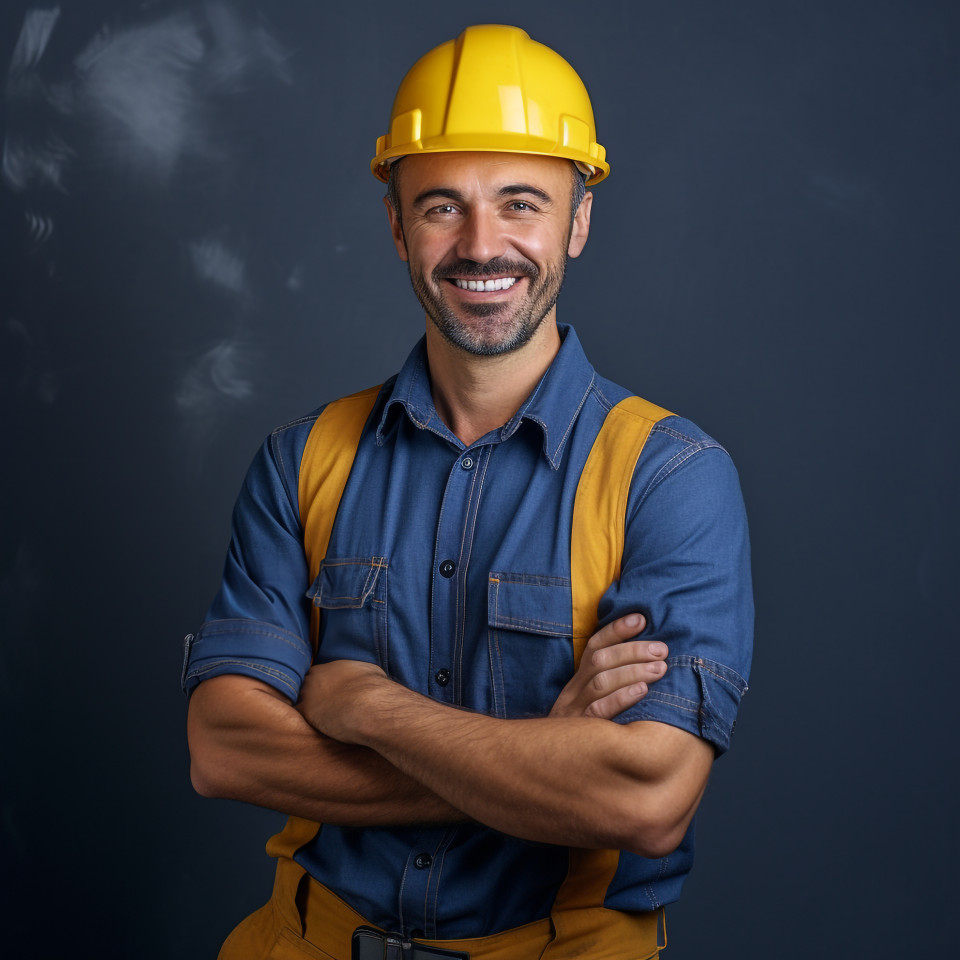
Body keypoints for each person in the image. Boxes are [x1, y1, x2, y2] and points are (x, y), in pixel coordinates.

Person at [184, 24, 753, 960]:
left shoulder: (670, 477)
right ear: (397, 224)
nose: (481, 244)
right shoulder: (301, 462)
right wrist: (539, 754)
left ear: (577, 219)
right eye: (442, 206)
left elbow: (643, 798)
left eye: (520, 202)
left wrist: (366, 708)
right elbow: (225, 751)